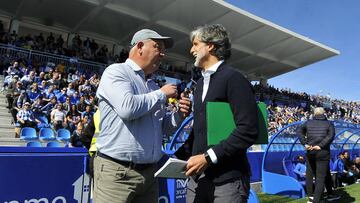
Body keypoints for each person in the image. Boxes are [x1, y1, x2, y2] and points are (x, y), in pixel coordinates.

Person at [93, 29, 192, 202]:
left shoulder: (153, 85)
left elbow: (163, 129)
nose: (162, 54)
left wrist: (179, 116)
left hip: (149, 174)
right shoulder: (116, 71)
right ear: (140, 47)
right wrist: (161, 95)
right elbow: (127, 108)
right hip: (117, 173)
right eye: (157, 47)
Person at [175, 24, 259, 203]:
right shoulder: (198, 88)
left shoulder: (234, 79)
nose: (191, 50)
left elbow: (248, 130)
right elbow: (200, 133)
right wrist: (175, 158)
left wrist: (208, 157)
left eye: (196, 44)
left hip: (228, 180)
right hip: (198, 179)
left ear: (210, 46)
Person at [299, 107, 338, 203]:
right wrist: (320, 146)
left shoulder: (308, 122)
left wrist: (305, 143)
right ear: (324, 113)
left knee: (309, 174)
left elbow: (299, 132)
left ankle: (311, 197)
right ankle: (316, 200)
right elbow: (331, 136)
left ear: (314, 114)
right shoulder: (329, 123)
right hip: (322, 152)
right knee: (320, 177)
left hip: (310, 151)